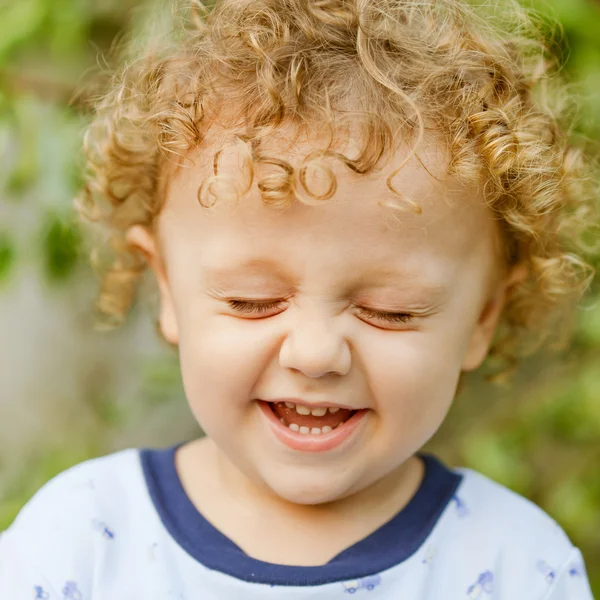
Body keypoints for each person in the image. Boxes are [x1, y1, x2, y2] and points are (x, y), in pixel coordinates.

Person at [0, 0, 597, 597]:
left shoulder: (517, 565)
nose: (315, 354)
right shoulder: (80, 542)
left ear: (482, 318)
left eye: (391, 309)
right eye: (250, 300)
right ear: (167, 289)